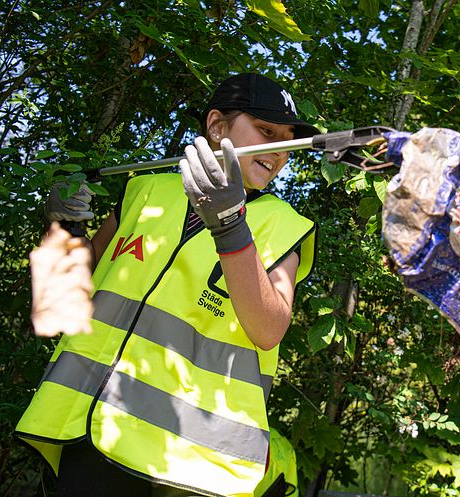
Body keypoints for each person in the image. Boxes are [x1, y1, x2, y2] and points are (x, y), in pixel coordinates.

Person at [16, 73, 319, 497]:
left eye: (287, 139)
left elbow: (268, 330)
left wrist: (231, 226)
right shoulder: (145, 191)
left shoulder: (284, 227)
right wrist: (63, 229)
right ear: (216, 126)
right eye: (267, 132)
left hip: (194, 462)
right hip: (91, 430)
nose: (280, 150)